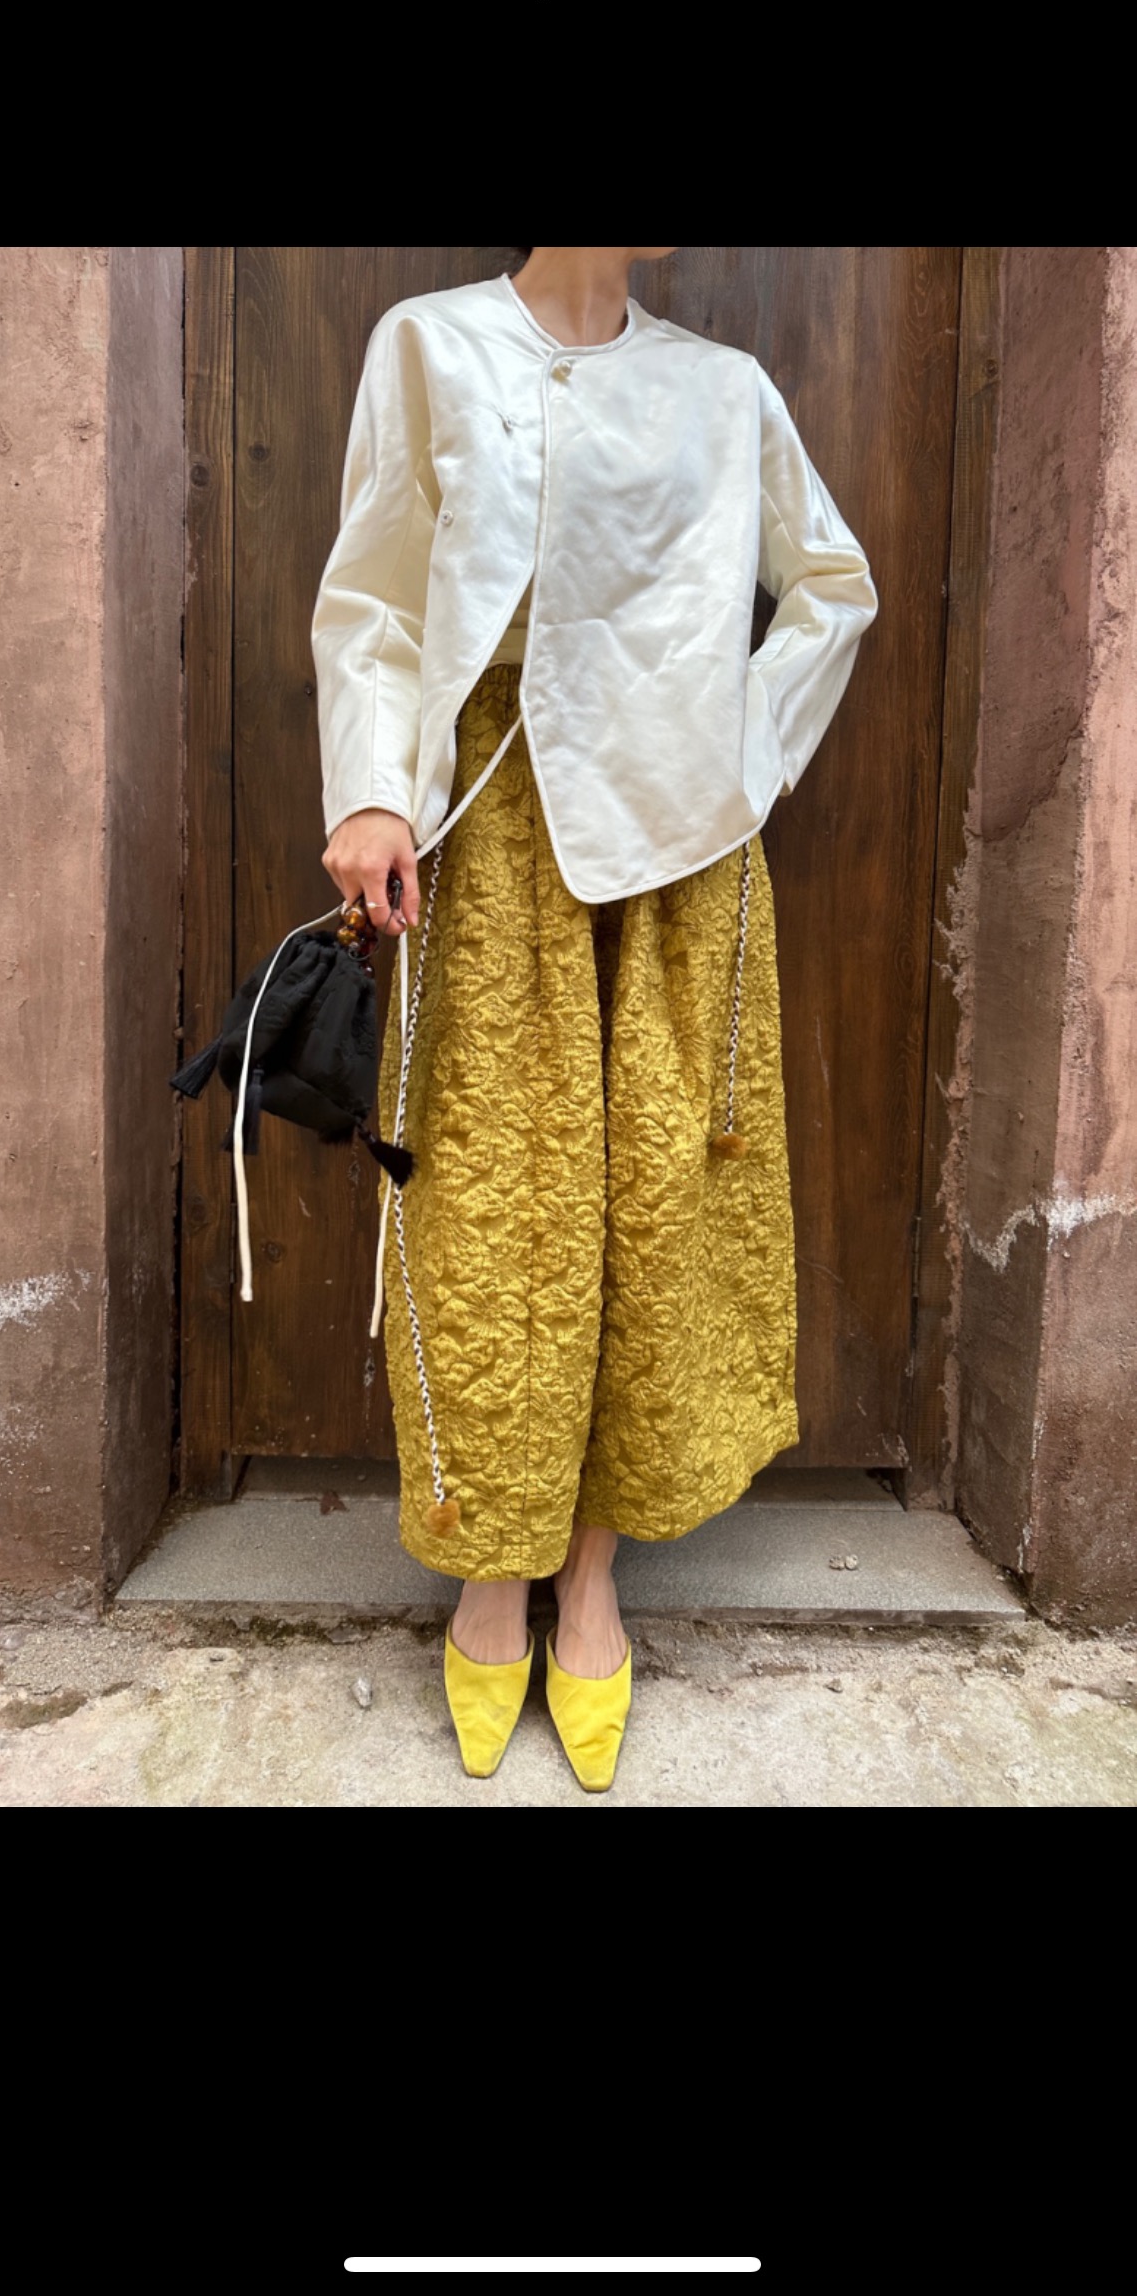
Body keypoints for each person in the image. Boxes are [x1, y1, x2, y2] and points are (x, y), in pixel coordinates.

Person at [312, 246, 878, 1791]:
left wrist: (739, 757)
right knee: (491, 1203)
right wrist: (369, 788)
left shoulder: (719, 387)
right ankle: (491, 1571)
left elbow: (831, 585)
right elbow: (374, 594)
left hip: (680, 843)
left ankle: (590, 1575)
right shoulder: (430, 345)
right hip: (492, 827)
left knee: (658, 1201)